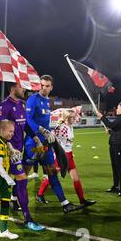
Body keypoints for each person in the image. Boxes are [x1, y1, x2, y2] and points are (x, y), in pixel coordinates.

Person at [23, 75, 83, 213]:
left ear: (51, 87)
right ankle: (14, 199)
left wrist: (49, 131)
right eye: (42, 85)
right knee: (24, 174)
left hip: (46, 143)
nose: (44, 88)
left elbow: (45, 121)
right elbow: (28, 119)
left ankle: (65, 204)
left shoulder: (47, 101)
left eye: (47, 86)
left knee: (52, 173)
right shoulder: (33, 99)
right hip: (33, 143)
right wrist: (41, 130)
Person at [0, 82, 45, 231]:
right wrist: (9, 147)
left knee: (1, 181)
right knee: (21, 181)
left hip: (18, 150)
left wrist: (35, 138)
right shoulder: (5, 106)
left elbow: (25, 126)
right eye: (21, 86)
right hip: (8, 152)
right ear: (13, 88)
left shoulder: (21, 105)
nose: (24, 89)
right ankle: (28, 219)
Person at [37, 109, 96, 206]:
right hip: (60, 157)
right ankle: (39, 195)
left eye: (74, 116)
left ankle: (82, 200)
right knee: (51, 177)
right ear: (67, 118)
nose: (74, 118)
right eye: (72, 117)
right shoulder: (62, 127)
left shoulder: (70, 126)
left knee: (76, 178)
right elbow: (51, 138)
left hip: (69, 156)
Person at [97, 102, 121, 196]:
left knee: (119, 166)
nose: (116, 109)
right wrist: (110, 132)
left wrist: (102, 117)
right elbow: (117, 130)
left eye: (117, 108)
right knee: (114, 166)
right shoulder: (120, 118)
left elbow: (111, 125)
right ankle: (115, 186)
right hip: (113, 144)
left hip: (119, 145)